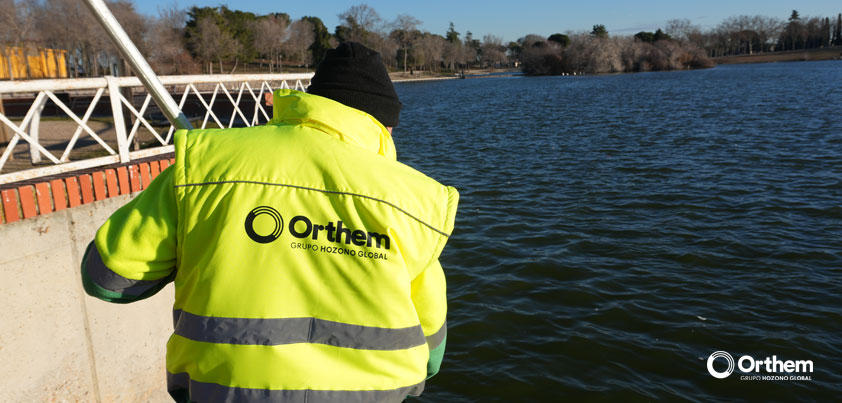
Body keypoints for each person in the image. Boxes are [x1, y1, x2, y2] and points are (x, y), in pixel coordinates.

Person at [80, 42, 459, 403]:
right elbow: (431, 350)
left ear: (308, 103)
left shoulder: (205, 163)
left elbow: (107, 278)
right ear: (384, 125)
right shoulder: (417, 200)